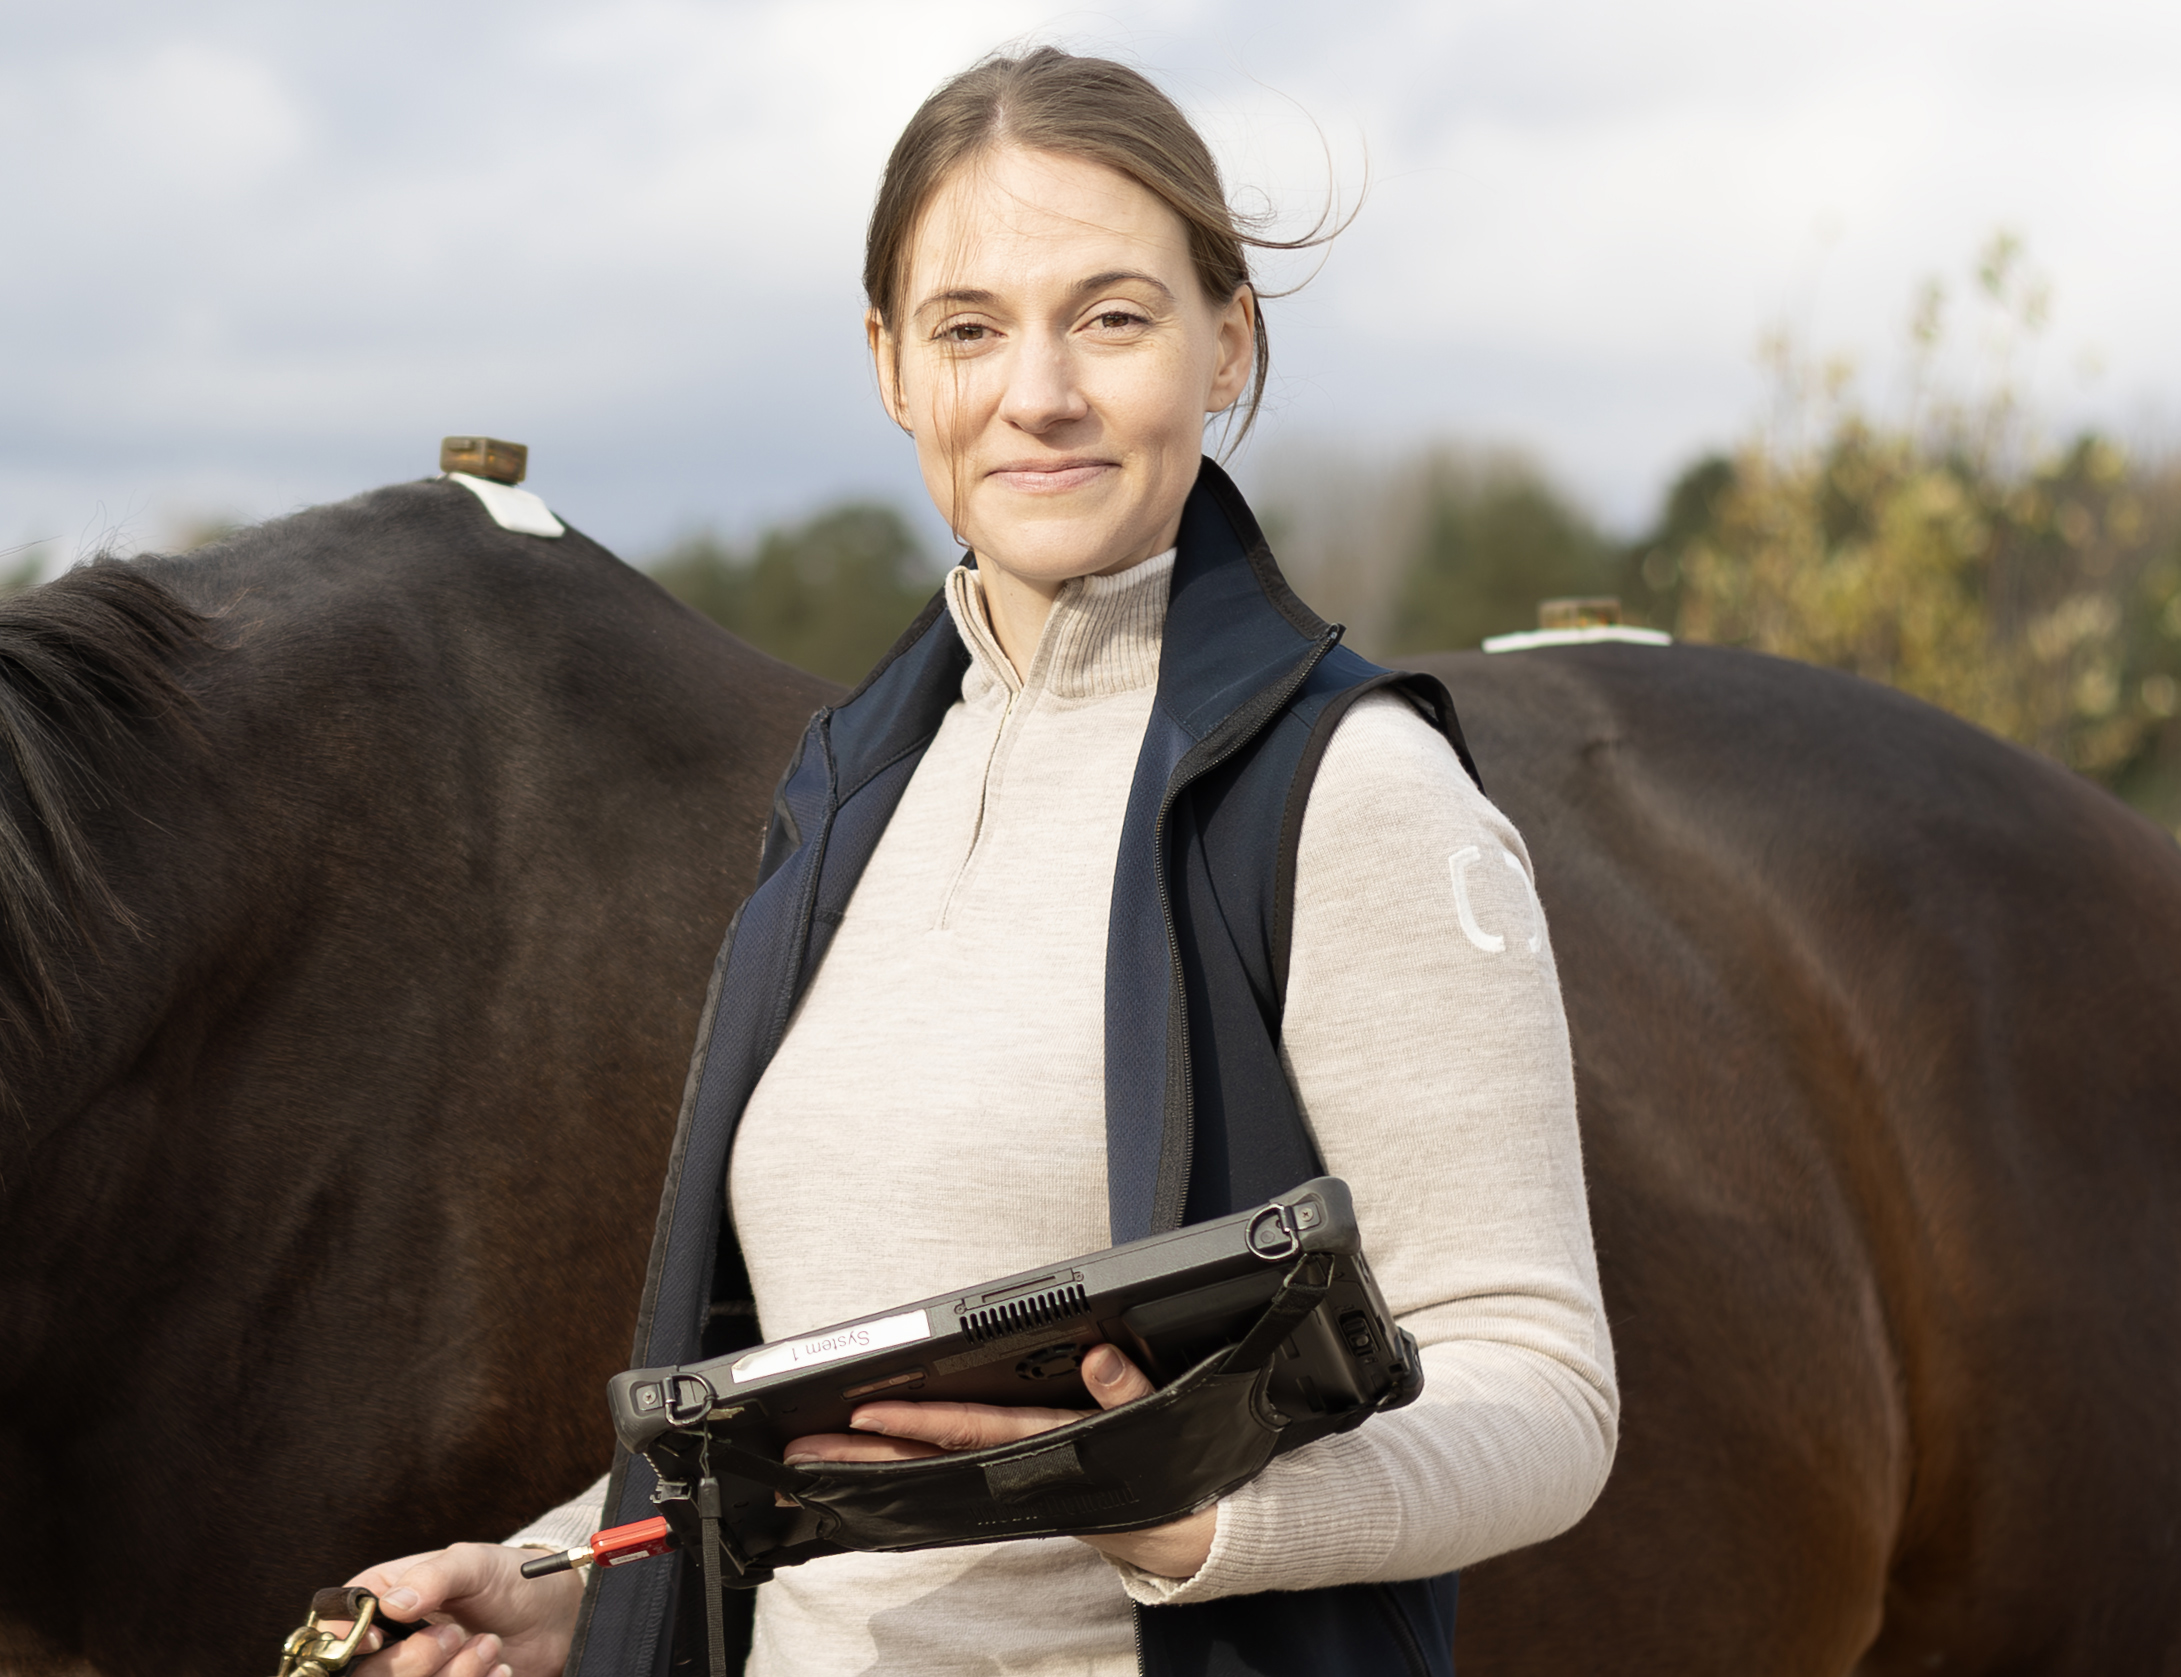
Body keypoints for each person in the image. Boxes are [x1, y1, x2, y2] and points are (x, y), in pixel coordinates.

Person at [341, 46, 1614, 1677]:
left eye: (1111, 315)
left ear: (1226, 342)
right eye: (967, 328)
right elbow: (822, 1428)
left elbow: (1543, 1383)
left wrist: (1207, 1517)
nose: (1039, 392)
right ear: (889, 365)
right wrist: (566, 1570)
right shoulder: (842, 796)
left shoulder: (1349, 788)